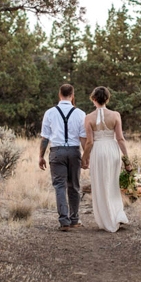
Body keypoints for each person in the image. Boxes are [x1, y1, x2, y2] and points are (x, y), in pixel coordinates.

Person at [81, 86, 131, 232]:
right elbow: (120, 138)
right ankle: (117, 215)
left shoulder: (89, 118)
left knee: (100, 185)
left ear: (93, 99)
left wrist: (84, 158)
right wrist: (127, 159)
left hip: (98, 151)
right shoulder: (115, 115)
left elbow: (89, 142)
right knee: (112, 183)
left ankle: (106, 218)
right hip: (112, 150)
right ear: (107, 99)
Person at [39, 84, 87, 232]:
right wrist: (85, 156)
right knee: (74, 186)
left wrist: (41, 156)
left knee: (60, 186)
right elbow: (83, 138)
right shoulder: (80, 113)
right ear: (72, 95)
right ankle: (74, 219)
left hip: (56, 152)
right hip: (74, 152)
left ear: (60, 95)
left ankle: (64, 221)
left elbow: (45, 138)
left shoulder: (50, 113)